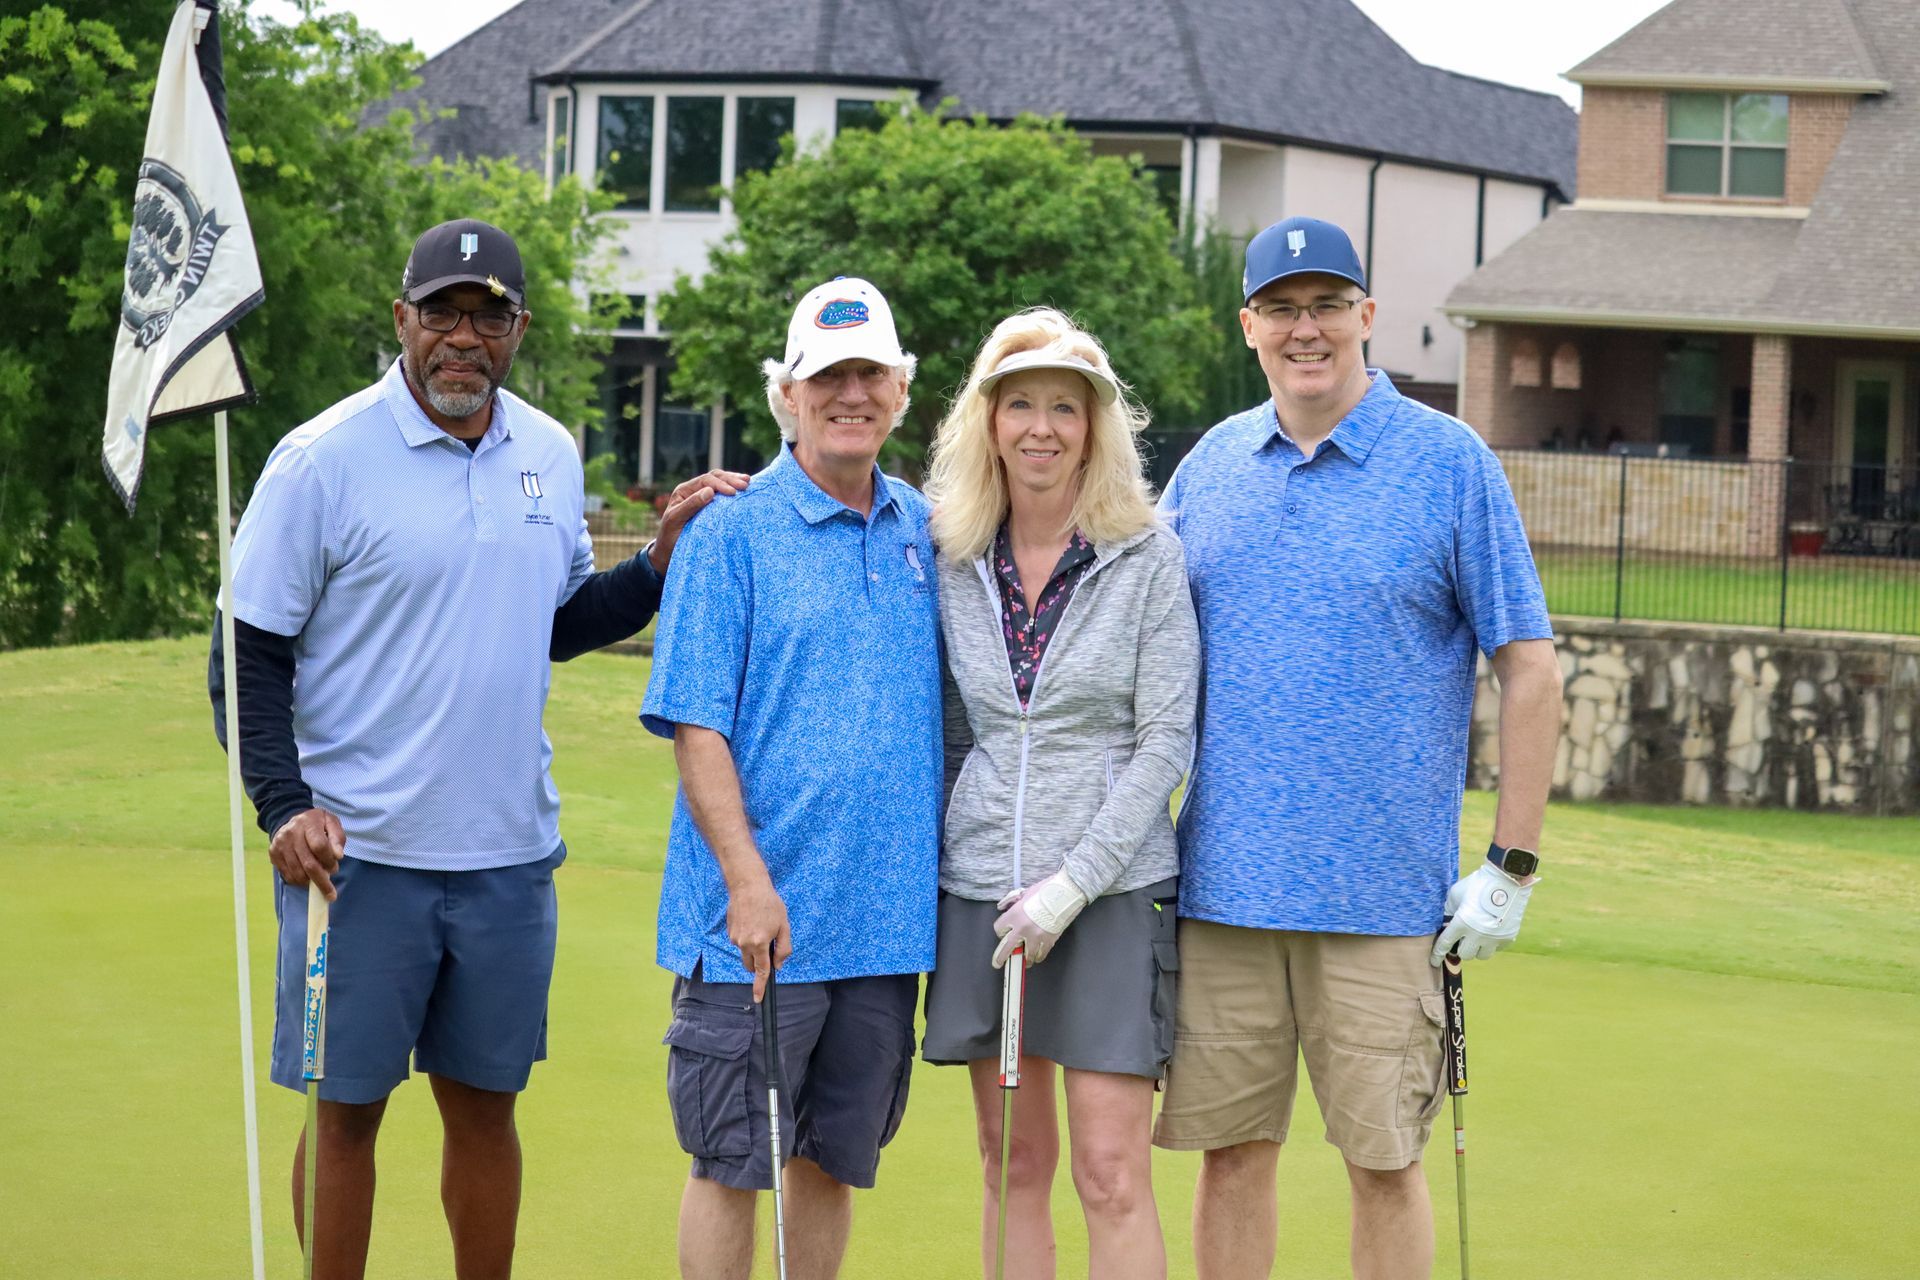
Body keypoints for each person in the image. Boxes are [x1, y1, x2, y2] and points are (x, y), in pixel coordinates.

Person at [209, 217, 744, 1280]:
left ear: (518, 329)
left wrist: (654, 567)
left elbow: (555, 620)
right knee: (346, 1112)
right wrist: (283, 805)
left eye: (487, 317)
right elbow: (246, 653)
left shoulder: (546, 451)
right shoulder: (321, 459)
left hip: (506, 856)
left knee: (487, 1110)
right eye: (441, 313)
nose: (463, 337)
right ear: (402, 319)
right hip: (357, 859)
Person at [1151, 216, 1564, 1280]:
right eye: (1282, 308)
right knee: (1231, 1159)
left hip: (1384, 902)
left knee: (1384, 1164)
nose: (1308, 329)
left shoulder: (1449, 462)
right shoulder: (1211, 465)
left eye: (1328, 305)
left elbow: (1529, 666)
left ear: (1367, 315)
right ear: (1248, 326)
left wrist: (1512, 865)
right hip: (1225, 894)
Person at [640, 277, 941, 1280]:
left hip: (882, 925)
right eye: (827, 376)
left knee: (831, 1163)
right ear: (788, 394)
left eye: (869, 373)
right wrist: (746, 880)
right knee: (731, 1161)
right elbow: (697, 726)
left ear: (900, 389)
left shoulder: (923, 529)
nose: (850, 393)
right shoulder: (730, 532)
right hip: (758, 926)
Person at [921, 309, 1199, 1280]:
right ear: (989, 421)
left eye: (1065, 408)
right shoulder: (952, 554)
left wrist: (1072, 885)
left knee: (1111, 1172)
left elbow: (1165, 742)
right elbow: (954, 731)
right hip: (984, 892)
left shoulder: (1148, 555)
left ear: (1094, 427)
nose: (1042, 427)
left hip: (1111, 895)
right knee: (1012, 1162)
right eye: (1021, 404)